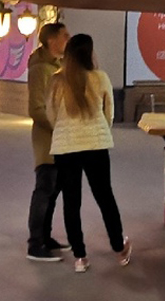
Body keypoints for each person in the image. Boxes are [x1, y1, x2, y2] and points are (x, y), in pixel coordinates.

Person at [47, 34, 130, 273]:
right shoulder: (100, 77)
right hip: (95, 145)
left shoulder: (57, 80)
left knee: (71, 201)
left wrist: (62, 131)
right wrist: (101, 129)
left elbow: (51, 114)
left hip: (65, 147)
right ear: (89, 53)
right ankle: (119, 248)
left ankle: (80, 257)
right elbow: (109, 112)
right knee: (105, 197)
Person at [26, 22, 71, 262]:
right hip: (48, 142)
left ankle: (46, 236)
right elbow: (36, 109)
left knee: (53, 191)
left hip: (62, 140)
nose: (68, 39)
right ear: (52, 40)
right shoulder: (41, 69)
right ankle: (35, 244)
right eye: (65, 35)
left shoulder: (58, 66)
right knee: (44, 190)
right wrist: (60, 127)